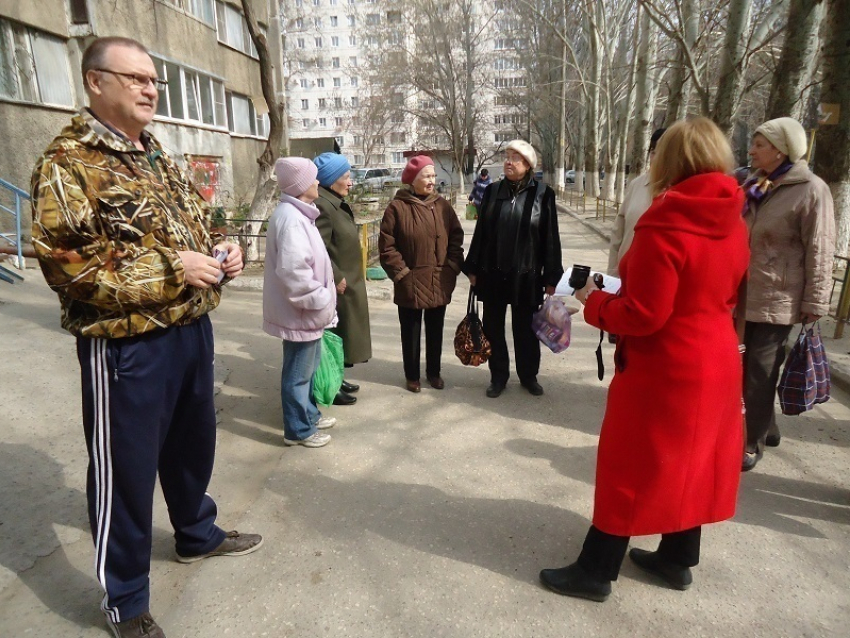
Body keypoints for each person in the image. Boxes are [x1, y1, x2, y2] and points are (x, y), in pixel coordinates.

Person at [30, 36, 262, 638]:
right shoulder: (67, 162)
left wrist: (221, 249)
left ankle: (195, 532)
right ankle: (125, 601)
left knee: (193, 447)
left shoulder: (155, 151)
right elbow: (68, 267)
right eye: (134, 78)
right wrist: (172, 269)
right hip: (127, 345)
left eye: (154, 80)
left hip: (190, 329)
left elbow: (193, 221)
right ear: (94, 83)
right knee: (124, 473)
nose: (150, 89)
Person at [538, 117, 750, 602]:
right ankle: (677, 557)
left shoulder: (667, 221)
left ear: (668, 160)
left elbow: (645, 314)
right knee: (692, 461)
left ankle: (595, 571)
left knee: (628, 466)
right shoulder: (733, 217)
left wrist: (595, 302)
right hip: (714, 356)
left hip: (667, 366)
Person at [741, 117, 835, 471]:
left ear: (781, 150)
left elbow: (820, 248)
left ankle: (750, 442)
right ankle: (768, 424)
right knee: (744, 367)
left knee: (759, 371)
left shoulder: (812, 189)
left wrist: (816, 302)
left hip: (778, 298)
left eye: (759, 144)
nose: (751, 150)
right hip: (742, 294)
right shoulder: (755, 184)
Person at [462, 140, 563, 398]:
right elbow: (482, 232)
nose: (508, 161)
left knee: (525, 329)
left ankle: (528, 376)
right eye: (507, 156)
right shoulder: (493, 191)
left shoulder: (543, 194)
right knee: (493, 327)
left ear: (528, 164)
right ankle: (498, 377)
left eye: (515, 158)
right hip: (493, 272)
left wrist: (551, 276)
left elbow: (550, 237)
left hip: (527, 274)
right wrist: (473, 267)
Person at [263, 157, 338, 449]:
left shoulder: (297, 215)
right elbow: (294, 273)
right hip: (302, 311)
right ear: (300, 185)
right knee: (298, 373)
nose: (318, 182)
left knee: (305, 368)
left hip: (304, 312)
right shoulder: (292, 220)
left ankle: (308, 415)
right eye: (314, 178)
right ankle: (298, 430)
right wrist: (321, 299)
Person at [379, 155, 464, 392]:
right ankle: (412, 375)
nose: (432, 180)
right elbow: (387, 246)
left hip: (439, 278)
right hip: (410, 280)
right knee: (411, 331)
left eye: (433, 175)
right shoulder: (397, 208)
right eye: (426, 176)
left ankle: (434, 373)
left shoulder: (443, 206)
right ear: (412, 180)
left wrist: (452, 267)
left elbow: (456, 238)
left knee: (435, 330)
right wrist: (402, 274)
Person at [313, 152, 372, 406]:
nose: (350, 183)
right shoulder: (323, 206)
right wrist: (336, 275)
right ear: (330, 179)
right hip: (339, 283)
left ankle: (338, 376)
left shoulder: (333, 200)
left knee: (344, 333)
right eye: (346, 177)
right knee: (335, 333)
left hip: (349, 280)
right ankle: (331, 383)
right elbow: (319, 248)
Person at [607, 128, 666, 277]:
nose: (657, 158)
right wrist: (612, 276)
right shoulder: (636, 185)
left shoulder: (683, 191)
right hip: (625, 276)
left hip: (659, 279)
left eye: (664, 153)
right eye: (653, 152)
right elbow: (617, 235)